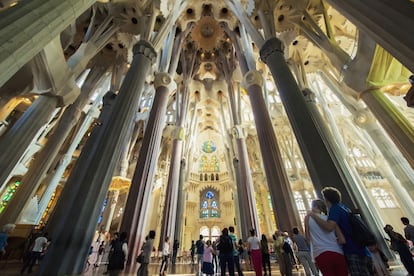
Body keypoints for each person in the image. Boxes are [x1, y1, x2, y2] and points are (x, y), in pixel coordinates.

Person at [309, 187, 370, 275]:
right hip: (358, 247)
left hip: (352, 248)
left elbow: (329, 227)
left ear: (326, 199)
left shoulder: (334, 209)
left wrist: (313, 215)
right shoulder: (343, 207)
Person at [305, 199, 348, 276]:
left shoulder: (308, 219)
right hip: (337, 252)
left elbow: (308, 238)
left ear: (314, 206)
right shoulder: (331, 219)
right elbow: (342, 240)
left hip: (320, 253)